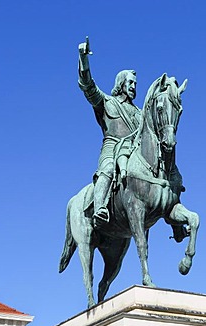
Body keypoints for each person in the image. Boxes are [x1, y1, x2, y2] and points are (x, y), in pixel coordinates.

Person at [78, 38, 141, 227]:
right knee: (106, 170)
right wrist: (83, 58)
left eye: (135, 84)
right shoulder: (107, 103)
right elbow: (87, 86)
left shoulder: (139, 113)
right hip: (112, 147)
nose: (133, 86)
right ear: (121, 83)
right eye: (130, 82)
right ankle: (100, 209)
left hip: (133, 151)